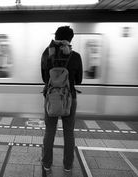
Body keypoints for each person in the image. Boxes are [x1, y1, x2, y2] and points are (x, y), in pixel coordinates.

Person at [41, 26, 83, 173]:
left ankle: (47, 163)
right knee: (69, 132)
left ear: (56, 37)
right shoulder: (76, 56)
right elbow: (79, 80)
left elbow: (44, 78)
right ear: (70, 39)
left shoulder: (47, 53)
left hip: (51, 97)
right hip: (69, 98)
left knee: (49, 131)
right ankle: (67, 165)